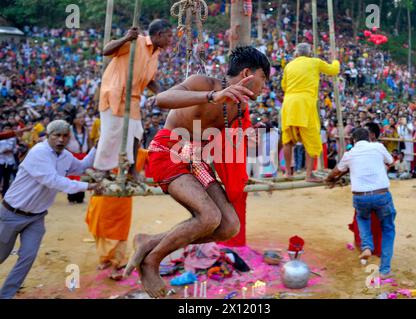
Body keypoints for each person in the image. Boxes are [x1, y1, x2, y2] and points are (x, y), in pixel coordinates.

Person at [123, 46, 270, 298]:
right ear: (247, 73)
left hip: (197, 160)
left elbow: (229, 149)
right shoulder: (202, 82)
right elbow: (161, 99)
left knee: (229, 226)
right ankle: (151, 261)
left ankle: (149, 242)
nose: (264, 87)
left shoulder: (241, 108)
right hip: (168, 151)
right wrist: (212, 96)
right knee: (209, 217)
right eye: (264, 79)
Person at [0, 120, 100, 299]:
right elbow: (53, 181)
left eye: (65, 136)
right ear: (48, 136)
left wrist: (97, 147)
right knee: (1, 255)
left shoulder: (65, 155)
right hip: (11, 214)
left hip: (36, 217)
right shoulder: (39, 152)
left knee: (27, 258)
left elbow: (82, 165)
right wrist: (88, 186)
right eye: (57, 135)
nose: (61, 139)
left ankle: (6, 295)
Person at [94, 19, 173, 175]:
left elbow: (150, 81)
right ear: (159, 34)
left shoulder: (155, 54)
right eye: (169, 36)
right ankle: (103, 171)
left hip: (133, 99)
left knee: (137, 133)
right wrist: (125, 38)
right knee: (112, 133)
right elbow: (106, 50)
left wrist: (164, 94)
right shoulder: (136, 41)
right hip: (115, 93)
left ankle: (131, 171)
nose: (171, 40)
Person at [325, 128, 396, 279]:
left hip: (360, 196)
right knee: (388, 230)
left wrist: (329, 179)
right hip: (381, 194)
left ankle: (367, 246)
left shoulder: (349, 154)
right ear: (369, 138)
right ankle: (384, 270)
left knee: (363, 219)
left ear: (353, 141)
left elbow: (335, 172)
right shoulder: (378, 146)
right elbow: (391, 162)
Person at [86, 148, 149, 281]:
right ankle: (105, 259)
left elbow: (151, 169)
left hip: (122, 199)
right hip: (103, 195)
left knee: (119, 233)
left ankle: (115, 264)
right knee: (100, 229)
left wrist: (139, 174)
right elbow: (92, 168)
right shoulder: (107, 147)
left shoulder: (142, 154)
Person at [281, 43, 340, 181]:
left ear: (296, 53)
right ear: (309, 53)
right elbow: (333, 70)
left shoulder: (289, 66)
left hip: (289, 103)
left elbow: (284, 85)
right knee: (311, 140)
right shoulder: (315, 62)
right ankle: (308, 174)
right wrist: (335, 60)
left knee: (287, 140)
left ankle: (288, 172)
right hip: (305, 104)